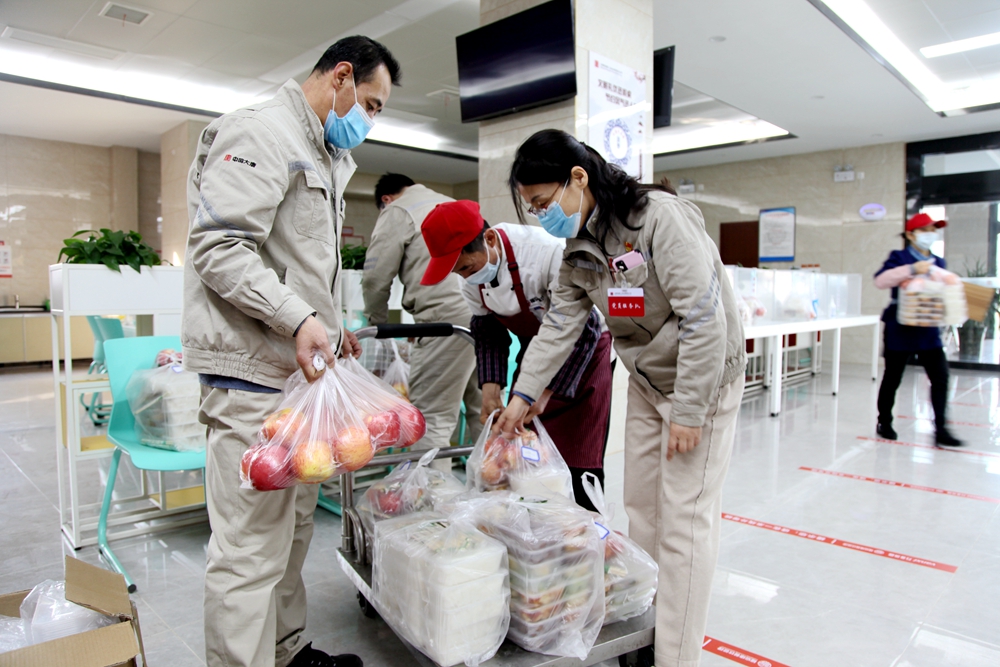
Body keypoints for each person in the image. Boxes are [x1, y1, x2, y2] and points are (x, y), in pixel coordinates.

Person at [183, 36, 401, 667]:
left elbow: (295, 262)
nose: (370, 120)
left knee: (293, 532)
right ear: (340, 76)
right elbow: (220, 249)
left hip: (301, 383)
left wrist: (329, 326)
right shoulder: (261, 132)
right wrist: (299, 318)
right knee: (250, 551)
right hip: (252, 376)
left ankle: (286, 651)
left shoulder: (323, 155)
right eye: (371, 104)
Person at [495, 129, 746, 667]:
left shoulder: (659, 219)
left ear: (578, 178)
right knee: (643, 511)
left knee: (684, 524)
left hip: (701, 384)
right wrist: (523, 394)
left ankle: (676, 658)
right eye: (532, 208)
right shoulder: (579, 250)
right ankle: (647, 631)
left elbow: (704, 317)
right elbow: (559, 324)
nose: (541, 216)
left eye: (543, 202)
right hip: (650, 383)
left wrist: (690, 410)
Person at [418, 200, 614, 510]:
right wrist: (491, 391)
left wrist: (543, 392)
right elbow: (488, 332)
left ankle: (585, 528)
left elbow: (581, 328)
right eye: (458, 272)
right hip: (536, 352)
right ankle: (531, 526)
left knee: (579, 456)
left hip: (584, 353)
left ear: (490, 239)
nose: (465, 277)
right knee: (523, 453)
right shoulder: (471, 279)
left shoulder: (544, 253)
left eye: (467, 268)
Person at [362, 174, 483, 470]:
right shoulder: (447, 202)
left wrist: (377, 327)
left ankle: (433, 497)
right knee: (485, 410)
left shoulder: (397, 211)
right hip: (483, 313)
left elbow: (375, 278)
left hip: (445, 321)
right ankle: (498, 486)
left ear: (386, 199)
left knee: (431, 416)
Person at [874, 212, 962, 447]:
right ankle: (884, 422)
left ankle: (941, 429)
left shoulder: (939, 263)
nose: (930, 234)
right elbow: (880, 281)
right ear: (911, 235)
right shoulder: (899, 257)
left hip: (927, 327)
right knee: (893, 377)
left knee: (940, 377)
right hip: (900, 326)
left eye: (933, 230)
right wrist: (912, 270)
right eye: (925, 230)